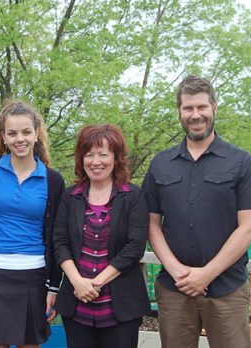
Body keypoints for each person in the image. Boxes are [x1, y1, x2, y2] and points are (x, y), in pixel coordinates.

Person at [142, 75, 251, 348]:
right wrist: (177, 272)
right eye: (188, 108)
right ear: (179, 111)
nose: (195, 115)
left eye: (201, 107)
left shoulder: (242, 162)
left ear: (214, 108)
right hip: (174, 289)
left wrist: (206, 274)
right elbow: (151, 224)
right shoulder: (161, 164)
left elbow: (248, 228)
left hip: (227, 289)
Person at [53, 124, 151, 348]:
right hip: (77, 303)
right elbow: (60, 242)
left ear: (116, 158)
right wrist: (78, 282)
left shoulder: (133, 196)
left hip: (120, 307)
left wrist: (95, 283)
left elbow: (135, 247)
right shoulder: (70, 196)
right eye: (89, 155)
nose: (96, 162)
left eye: (103, 154)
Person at [0, 100, 65, 348]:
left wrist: (54, 287)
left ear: (37, 133)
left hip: (34, 277)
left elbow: (58, 236)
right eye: (12, 133)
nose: (20, 139)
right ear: (3, 137)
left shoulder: (53, 180)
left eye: (26, 131)